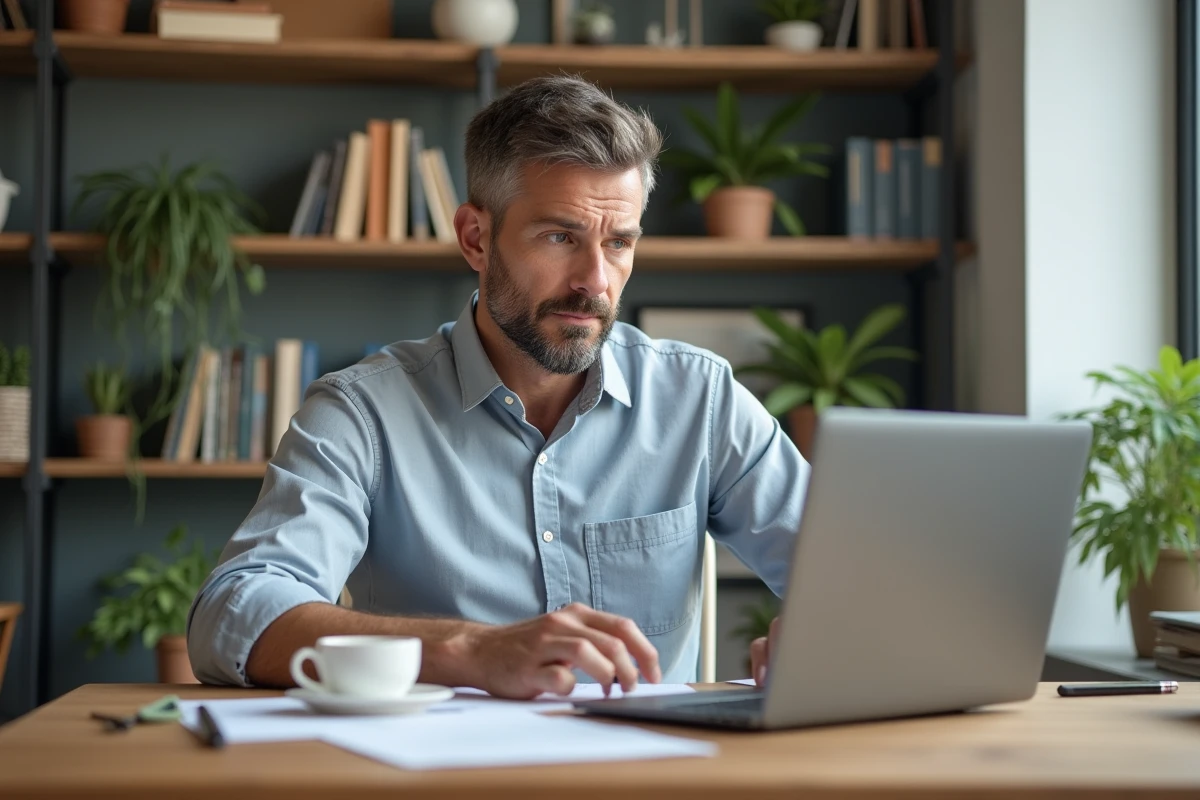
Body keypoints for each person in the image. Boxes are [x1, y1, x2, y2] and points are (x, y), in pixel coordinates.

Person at [186, 75, 809, 699]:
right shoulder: (363, 414)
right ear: (475, 238)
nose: (595, 281)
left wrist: (828, 629)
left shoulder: (699, 400)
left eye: (619, 243)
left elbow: (869, 571)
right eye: (560, 236)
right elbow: (234, 612)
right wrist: (469, 650)